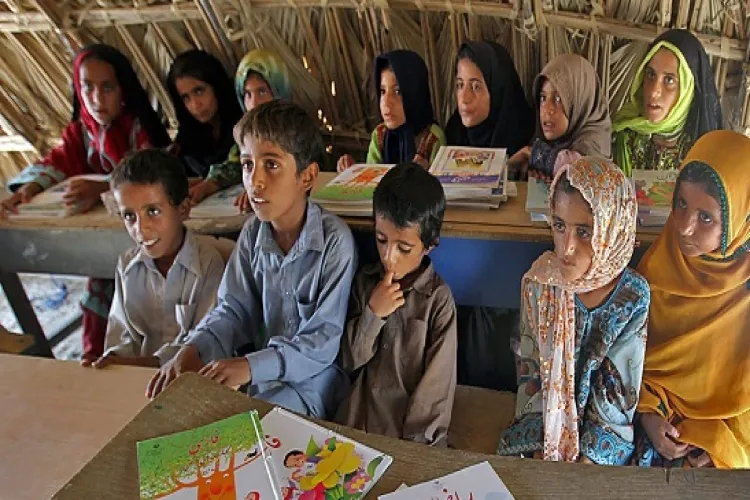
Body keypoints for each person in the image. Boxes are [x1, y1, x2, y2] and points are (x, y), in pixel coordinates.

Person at [146, 101, 358, 420]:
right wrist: (194, 349)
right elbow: (232, 309)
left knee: (248, 433)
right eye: (247, 164)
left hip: (314, 385)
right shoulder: (253, 234)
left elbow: (321, 343)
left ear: (307, 176)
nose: (255, 181)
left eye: (271, 164)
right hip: (259, 380)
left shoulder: (333, 241)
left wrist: (250, 366)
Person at [0, 44, 170, 362]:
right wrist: (31, 188)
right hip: (102, 246)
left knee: (135, 307)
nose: (96, 98)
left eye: (107, 87)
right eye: (87, 87)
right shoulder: (82, 133)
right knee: (99, 297)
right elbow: (58, 161)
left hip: (141, 242)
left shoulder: (137, 130)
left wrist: (105, 187)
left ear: (123, 90)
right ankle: (97, 356)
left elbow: (150, 173)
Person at [498, 157, 650, 465]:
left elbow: (618, 394)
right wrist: (542, 443)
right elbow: (530, 371)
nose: (566, 247)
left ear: (612, 229)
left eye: (584, 231)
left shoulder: (632, 296)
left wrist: (589, 457)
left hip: (602, 435)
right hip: (542, 424)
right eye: (559, 226)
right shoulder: (540, 284)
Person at [635, 130, 749, 469]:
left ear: (741, 222)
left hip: (722, 441)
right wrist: (648, 416)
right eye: (681, 204)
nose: (684, 227)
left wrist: (716, 446)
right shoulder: (657, 268)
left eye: (706, 218)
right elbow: (628, 363)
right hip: (657, 430)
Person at [335, 163, 457, 446]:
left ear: (430, 244)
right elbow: (347, 361)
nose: (389, 257)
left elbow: (435, 393)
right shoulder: (366, 283)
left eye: (404, 248)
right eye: (381, 240)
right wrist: (372, 315)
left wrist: (415, 453)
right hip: (354, 423)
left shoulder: (437, 301)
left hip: (407, 435)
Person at [81, 149, 224, 369]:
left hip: (191, 381)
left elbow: (204, 345)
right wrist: (112, 359)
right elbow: (122, 335)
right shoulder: (127, 266)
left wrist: (144, 364)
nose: (141, 228)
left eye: (153, 211)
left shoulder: (209, 264)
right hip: (136, 379)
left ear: (183, 209)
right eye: (129, 216)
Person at [190, 49, 292, 212]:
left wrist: (260, 187)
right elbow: (234, 164)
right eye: (247, 94)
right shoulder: (248, 134)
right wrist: (207, 185)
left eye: (262, 91)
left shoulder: (296, 130)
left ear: (279, 89)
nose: (254, 102)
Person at [612, 29, 722, 176]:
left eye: (669, 80)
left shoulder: (705, 154)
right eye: (650, 74)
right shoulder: (622, 136)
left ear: (687, 90)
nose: (653, 91)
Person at [337, 50, 444, 172]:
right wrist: (352, 170)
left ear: (415, 94)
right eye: (383, 91)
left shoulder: (432, 139)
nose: (386, 102)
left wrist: (427, 175)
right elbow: (371, 179)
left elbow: (443, 187)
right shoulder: (380, 135)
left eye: (398, 92)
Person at [512, 54, 611, 181]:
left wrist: (533, 155)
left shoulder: (594, 145)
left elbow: (581, 172)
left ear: (581, 101)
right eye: (543, 98)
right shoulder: (546, 141)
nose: (547, 110)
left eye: (558, 99)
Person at [445, 41, 534, 157]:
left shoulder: (524, 145)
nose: (464, 98)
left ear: (497, 90)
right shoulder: (455, 134)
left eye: (475, 87)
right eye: (460, 85)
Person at [166, 50, 242, 183]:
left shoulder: (244, 123)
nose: (195, 105)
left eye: (199, 91)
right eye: (186, 98)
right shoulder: (188, 142)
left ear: (216, 87)